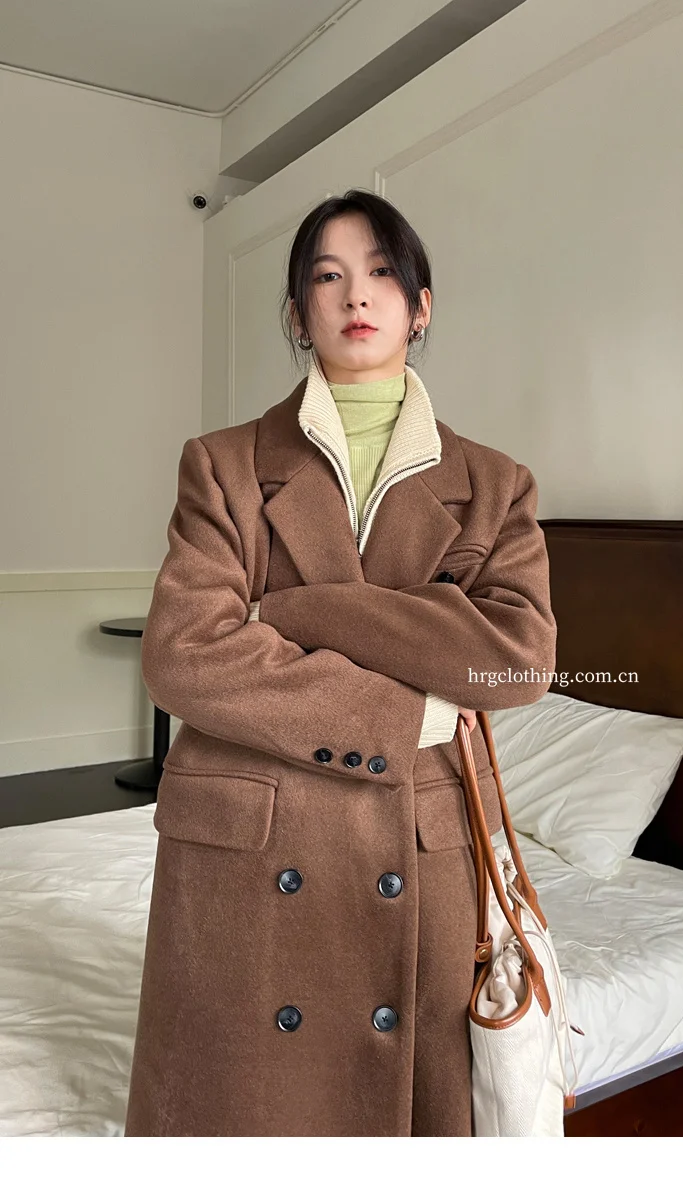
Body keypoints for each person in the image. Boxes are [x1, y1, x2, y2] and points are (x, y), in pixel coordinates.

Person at [124, 188, 557, 1137]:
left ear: (420, 305)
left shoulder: (495, 484)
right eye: (328, 275)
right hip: (251, 854)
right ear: (297, 312)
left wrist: (296, 611)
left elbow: (518, 661)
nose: (356, 294)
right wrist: (408, 705)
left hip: (421, 848)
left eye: (381, 272)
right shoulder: (223, 465)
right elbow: (184, 654)